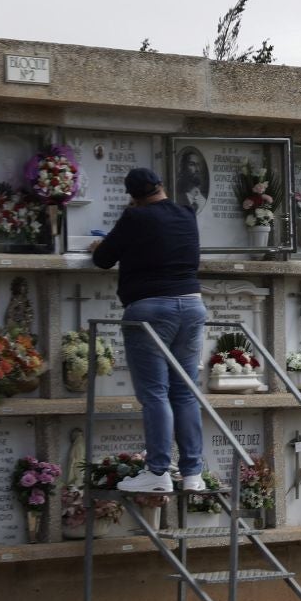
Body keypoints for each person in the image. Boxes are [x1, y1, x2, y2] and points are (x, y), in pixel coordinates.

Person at [90, 166, 206, 493]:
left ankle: (158, 473)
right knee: (185, 390)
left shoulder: (135, 218)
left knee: (155, 392)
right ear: (162, 186)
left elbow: (103, 260)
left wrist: (99, 247)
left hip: (151, 310)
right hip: (192, 305)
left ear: (134, 197)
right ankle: (193, 474)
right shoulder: (187, 213)